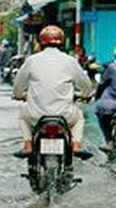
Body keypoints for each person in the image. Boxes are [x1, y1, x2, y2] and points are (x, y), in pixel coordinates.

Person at [12, 25, 94, 160]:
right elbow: (85, 85)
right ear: (62, 42)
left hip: (37, 117)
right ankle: (76, 144)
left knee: (22, 114)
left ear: (40, 42)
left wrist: (18, 95)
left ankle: (27, 144)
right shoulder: (70, 61)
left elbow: (18, 86)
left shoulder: (32, 60)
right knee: (79, 116)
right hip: (64, 117)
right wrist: (86, 94)